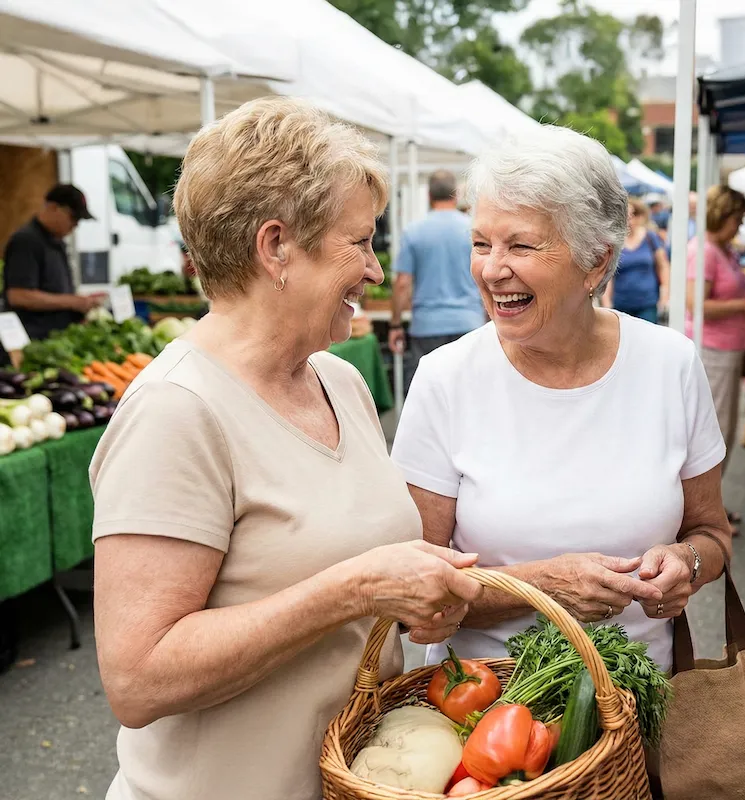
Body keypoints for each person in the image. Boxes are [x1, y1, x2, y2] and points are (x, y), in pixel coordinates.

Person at [90, 98, 483, 800]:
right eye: (358, 242)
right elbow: (137, 678)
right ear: (276, 247)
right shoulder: (176, 412)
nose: (373, 268)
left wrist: (410, 599)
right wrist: (357, 589)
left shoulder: (339, 379)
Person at [391, 127, 732, 676]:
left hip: (641, 708)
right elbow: (412, 591)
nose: (491, 268)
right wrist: (541, 587)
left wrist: (686, 562)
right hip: (481, 722)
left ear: (596, 262)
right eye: (481, 243)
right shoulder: (445, 379)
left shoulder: (671, 364)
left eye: (521, 245)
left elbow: (711, 533)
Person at [686, 186, 745, 535]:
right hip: (714, 351)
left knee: (726, 430)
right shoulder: (702, 251)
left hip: (728, 351)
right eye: (738, 218)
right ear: (723, 215)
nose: (740, 225)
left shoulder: (723, 250)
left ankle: (713, 507)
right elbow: (696, 305)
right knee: (715, 433)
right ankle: (705, 517)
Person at [388, 169, 485, 393]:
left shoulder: (414, 231)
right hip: (468, 322)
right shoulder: (473, 230)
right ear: (455, 195)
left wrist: (395, 324)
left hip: (426, 326)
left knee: (427, 395)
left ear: (429, 196)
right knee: (468, 394)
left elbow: (402, 283)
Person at [2, 184, 104, 340]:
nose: (75, 225)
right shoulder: (26, 241)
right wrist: (71, 302)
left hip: (59, 337)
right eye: (73, 217)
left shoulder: (56, 241)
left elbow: (55, 291)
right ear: (53, 207)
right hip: (36, 341)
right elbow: (18, 295)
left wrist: (82, 302)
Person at [602, 199, 670, 323]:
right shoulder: (615, 242)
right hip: (621, 303)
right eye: (626, 216)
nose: (630, 220)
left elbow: (663, 265)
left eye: (633, 215)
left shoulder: (650, 237)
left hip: (648, 302)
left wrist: (665, 294)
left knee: (647, 338)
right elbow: (609, 274)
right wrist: (606, 302)